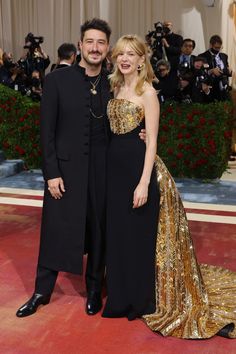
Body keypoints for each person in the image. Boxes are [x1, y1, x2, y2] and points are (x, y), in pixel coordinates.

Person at [102, 34, 236, 339]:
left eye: (131, 54)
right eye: (121, 53)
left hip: (139, 170)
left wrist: (144, 183)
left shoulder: (148, 92)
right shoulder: (115, 86)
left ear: (141, 60)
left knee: (138, 238)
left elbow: (152, 142)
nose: (125, 59)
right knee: (120, 236)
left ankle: (138, 300)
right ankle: (120, 296)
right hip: (115, 171)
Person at [16, 18, 112, 318]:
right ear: (80, 45)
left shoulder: (115, 83)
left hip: (103, 170)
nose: (95, 48)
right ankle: (42, 291)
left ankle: (95, 289)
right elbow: (46, 132)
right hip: (65, 172)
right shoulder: (57, 80)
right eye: (90, 42)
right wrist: (52, 173)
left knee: (98, 230)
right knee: (55, 230)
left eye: (101, 42)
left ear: (107, 48)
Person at [199, 35, 232, 101]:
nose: (218, 50)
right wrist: (211, 71)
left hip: (224, 87)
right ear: (211, 45)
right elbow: (200, 72)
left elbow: (227, 68)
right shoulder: (203, 56)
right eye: (216, 47)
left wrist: (229, 70)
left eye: (220, 48)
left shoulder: (224, 56)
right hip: (211, 87)